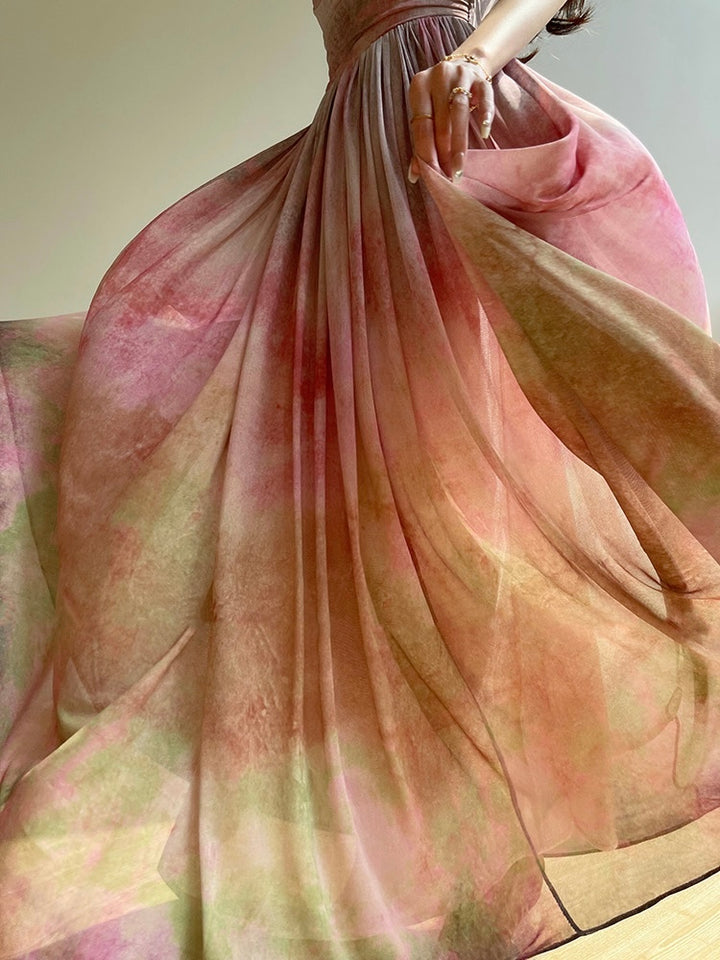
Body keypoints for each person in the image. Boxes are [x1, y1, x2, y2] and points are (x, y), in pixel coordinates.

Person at [1, 0, 719, 957]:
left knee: (446, 492)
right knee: (362, 506)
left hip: (445, 128)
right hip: (349, 176)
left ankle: (459, 840)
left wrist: (477, 55)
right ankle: (426, 836)